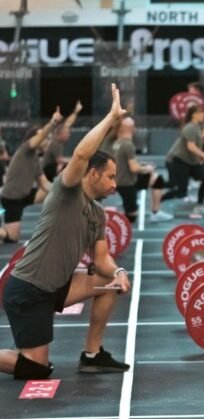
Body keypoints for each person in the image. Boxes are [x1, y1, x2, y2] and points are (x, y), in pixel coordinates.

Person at [0, 83, 132, 380]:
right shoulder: (67, 191)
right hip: (29, 289)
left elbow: (101, 259)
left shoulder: (98, 213)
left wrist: (120, 271)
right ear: (93, 174)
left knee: (108, 279)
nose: (114, 184)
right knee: (36, 369)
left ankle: (93, 354)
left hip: (56, 287)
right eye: (110, 177)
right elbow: (82, 154)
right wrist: (111, 119)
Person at [0, 110, 60, 243]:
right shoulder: (25, 149)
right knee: (12, 238)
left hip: (24, 196)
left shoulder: (35, 159)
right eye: (44, 138)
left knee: (49, 191)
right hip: (12, 199)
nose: (46, 141)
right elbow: (40, 137)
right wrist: (53, 122)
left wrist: (62, 192)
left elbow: (44, 184)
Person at [112, 116, 173, 224]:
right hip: (127, 184)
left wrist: (144, 166)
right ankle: (120, 216)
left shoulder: (118, 143)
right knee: (131, 217)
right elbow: (134, 168)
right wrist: (147, 168)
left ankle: (155, 212)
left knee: (157, 179)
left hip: (127, 179)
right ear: (132, 129)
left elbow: (126, 163)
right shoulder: (128, 144)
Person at [160, 104, 204, 218]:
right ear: (194, 115)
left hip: (192, 162)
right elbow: (191, 147)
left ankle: (199, 205)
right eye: (201, 113)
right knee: (181, 192)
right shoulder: (189, 128)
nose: (203, 115)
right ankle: (159, 199)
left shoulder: (198, 127)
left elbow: (200, 144)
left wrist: (203, 156)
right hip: (181, 162)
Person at [43, 100, 82, 183]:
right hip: (48, 170)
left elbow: (68, 123)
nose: (69, 135)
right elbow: (60, 161)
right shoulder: (56, 143)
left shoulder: (57, 138)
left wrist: (76, 111)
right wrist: (75, 160)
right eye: (67, 133)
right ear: (60, 133)